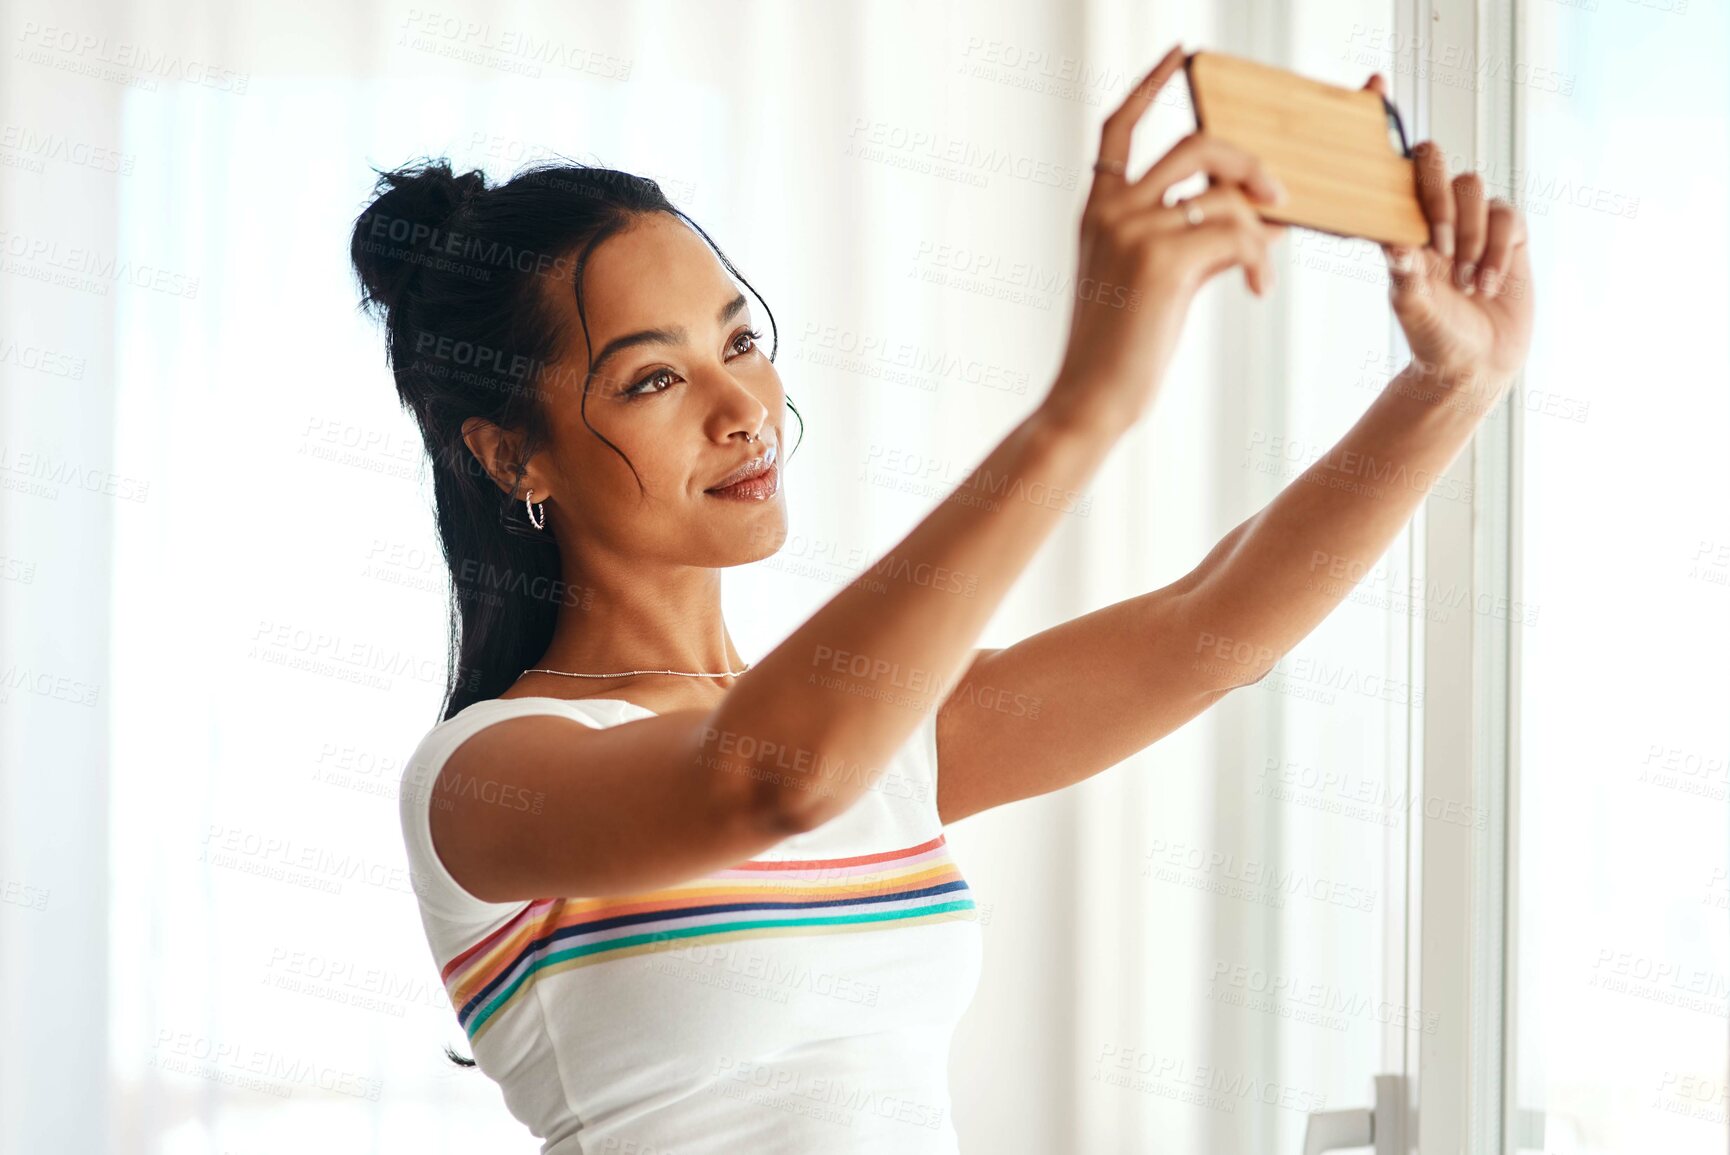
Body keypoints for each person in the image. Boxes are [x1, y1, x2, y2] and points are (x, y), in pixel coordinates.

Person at [348, 44, 1531, 1155]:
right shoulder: (483, 777)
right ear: (511, 457)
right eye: (653, 376)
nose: (740, 407)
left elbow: (1215, 631)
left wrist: (1450, 384)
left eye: (740, 340)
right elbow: (770, 781)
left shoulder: (875, 733)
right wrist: (1081, 407)